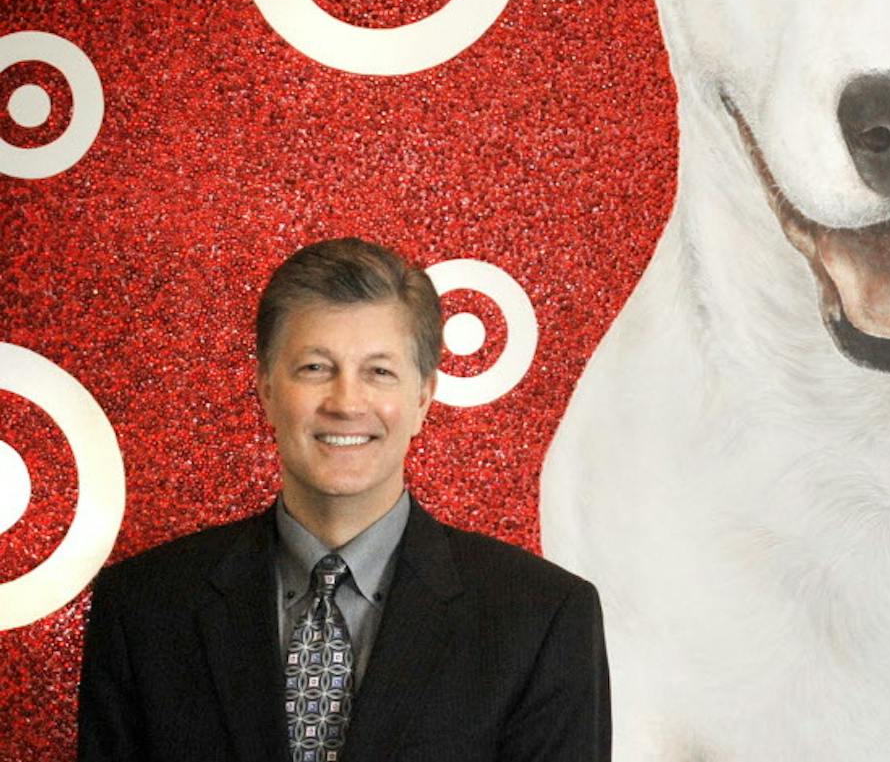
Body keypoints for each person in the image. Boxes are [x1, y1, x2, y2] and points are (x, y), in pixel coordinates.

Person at [78, 237, 611, 762]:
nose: (346, 402)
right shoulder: (144, 609)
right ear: (265, 387)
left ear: (423, 396)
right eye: (315, 367)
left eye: (379, 372)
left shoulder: (541, 619)